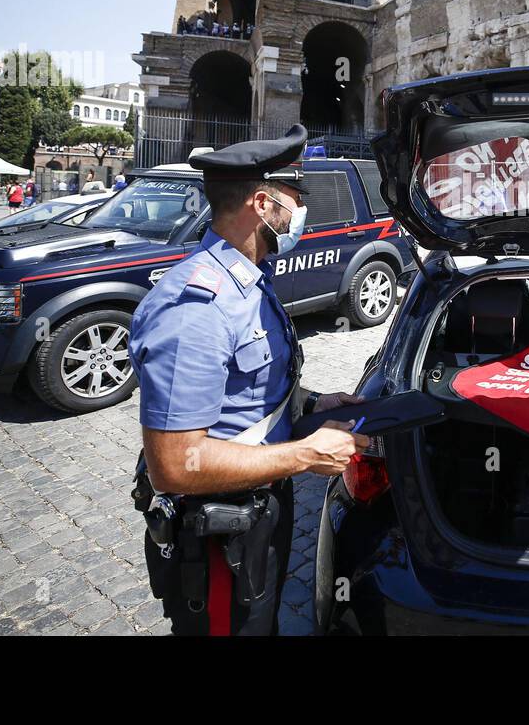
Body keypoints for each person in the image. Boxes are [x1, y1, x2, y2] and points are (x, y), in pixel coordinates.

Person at [130, 125, 368, 636]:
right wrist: (306, 456)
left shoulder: (248, 281)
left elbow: (247, 390)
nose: (301, 210)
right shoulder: (198, 305)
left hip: (257, 514)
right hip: (217, 535)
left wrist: (311, 404)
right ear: (262, 203)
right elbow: (173, 465)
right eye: (296, 197)